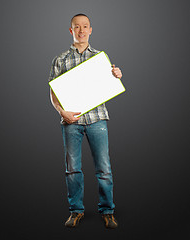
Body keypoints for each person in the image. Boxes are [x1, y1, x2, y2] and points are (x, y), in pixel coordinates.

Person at [48, 13, 123, 229]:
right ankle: (76, 211)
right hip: (71, 122)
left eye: (85, 27)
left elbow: (110, 85)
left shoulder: (101, 58)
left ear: (91, 30)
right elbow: (53, 93)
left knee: (104, 168)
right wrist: (62, 113)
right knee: (72, 169)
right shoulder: (59, 60)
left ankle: (107, 211)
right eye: (76, 27)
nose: (81, 31)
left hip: (97, 120)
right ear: (71, 30)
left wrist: (116, 75)